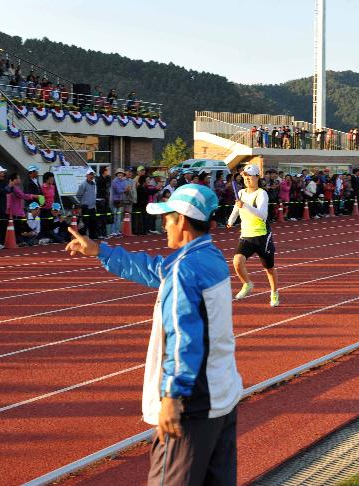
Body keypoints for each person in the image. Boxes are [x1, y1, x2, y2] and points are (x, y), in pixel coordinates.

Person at [65, 184, 242, 486]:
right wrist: (100, 251)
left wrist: (172, 398)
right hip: (222, 393)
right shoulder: (209, 256)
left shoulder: (185, 269)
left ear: (182, 221)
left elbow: (184, 338)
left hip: (192, 403)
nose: (164, 225)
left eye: (167, 219)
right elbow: (154, 269)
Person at [227, 164, 280, 306]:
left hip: (262, 237)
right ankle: (247, 284)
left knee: (269, 268)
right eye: (245, 176)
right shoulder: (241, 193)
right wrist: (230, 221)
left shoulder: (262, 193)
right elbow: (236, 209)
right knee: (237, 262)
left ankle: (274, 292)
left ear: (257, 177)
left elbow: (262, 214)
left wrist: (245, 205)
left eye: (249, 176)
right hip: (246, 236)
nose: (247, 179)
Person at [75, 170, 98, 239]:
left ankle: (93, 236)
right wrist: (83, 203)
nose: (91, 176)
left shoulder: (94, 184)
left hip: (93, 207)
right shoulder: (83, 184)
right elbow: (78, 195)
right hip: (86, 207)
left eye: (92, 175)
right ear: (86, 175)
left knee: (93, 222)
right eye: (90, 174)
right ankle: (83, 237)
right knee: (85, 223)